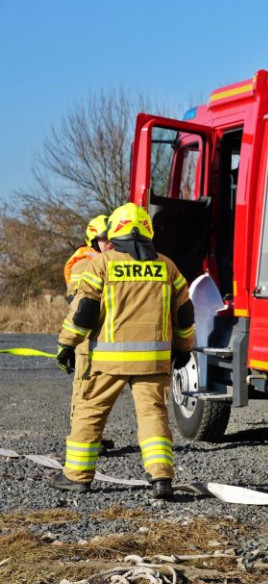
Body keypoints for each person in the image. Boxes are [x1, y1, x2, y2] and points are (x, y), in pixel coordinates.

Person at [53, 203, 194, 500]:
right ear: (148, 230)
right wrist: (184, 349)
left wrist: (67, 343)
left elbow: (84, 311)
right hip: (154, 364)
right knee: (154, 417)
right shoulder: (168, 267)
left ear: (115, 230)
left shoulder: (102, 264)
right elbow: (185, 314)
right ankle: (161, 478)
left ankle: (77, 476)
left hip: (106, 362)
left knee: (89, 414)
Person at [64, 215, 110, 296]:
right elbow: (78, 298)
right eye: (104, 238)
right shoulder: (83, 264)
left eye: (112, 237)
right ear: (94, 241)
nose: (109, 242)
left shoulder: (113, 258)